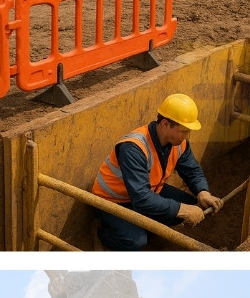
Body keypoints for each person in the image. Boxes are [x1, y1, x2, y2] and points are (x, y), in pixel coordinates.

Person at [90, 93, 224, 250]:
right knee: (136, 241)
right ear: (165, 124)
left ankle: (143, 227)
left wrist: (203, 192)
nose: (187, 136)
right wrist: (182, 210)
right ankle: (104, 234)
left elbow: (192, 169)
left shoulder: (179, 142)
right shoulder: (134, 148)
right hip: (112, 202)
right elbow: (141, 199)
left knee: (189, 206)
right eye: (184, 131)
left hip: (149, 191)